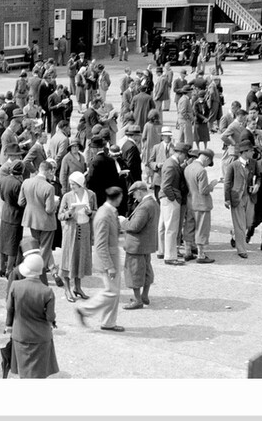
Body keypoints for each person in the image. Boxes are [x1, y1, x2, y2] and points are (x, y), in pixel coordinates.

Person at [74, 186, 125, 332]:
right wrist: (109, 266)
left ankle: (108, 322)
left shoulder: (109, 212)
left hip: (111, 257)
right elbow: (101, 244)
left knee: (114, 292)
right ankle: (84, 309)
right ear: (117, 198)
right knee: (111, 292)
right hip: (106, 259)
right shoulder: (104, 215)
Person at [4, 252, 59, 379]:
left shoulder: (15, 286)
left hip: (20, 335)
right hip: (41, 337)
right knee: (39, 373)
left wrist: (8, 325)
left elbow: (9, 308)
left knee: (24, 372)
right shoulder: (47, 291)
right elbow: (50, 317)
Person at [57, 171, 97, 302]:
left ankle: (78, 287)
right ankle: (68, 289)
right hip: (71, 230)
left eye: (73, 184)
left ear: (80, 184)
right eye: (70, 184)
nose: (71, 186)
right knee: (69, 259)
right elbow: (60, 215)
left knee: (80, 258)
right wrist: (69, 212)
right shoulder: (67, 196)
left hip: (85, 229)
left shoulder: (91, 195)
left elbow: (96, 212)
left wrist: (90, 212)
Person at [18, 160, 60, 285]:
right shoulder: (49, 187)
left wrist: (32, 204)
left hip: (32, 220)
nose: (51, 174)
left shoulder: (26, 182)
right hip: (46, 222)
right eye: (51, 171)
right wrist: (56, 203)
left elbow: (21, 202)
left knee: (36, 248)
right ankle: (39, 276)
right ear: (47, 171)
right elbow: (49, 209)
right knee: (45, 250)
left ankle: (48, 271)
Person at [120, 181, 159, 310]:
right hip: (146, 245)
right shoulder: (153, 203)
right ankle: (144, 296)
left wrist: (123, 222)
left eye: (134, 195)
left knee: (134, 273)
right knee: (147, 271)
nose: (134, 198)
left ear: (140, 191)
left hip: (136, 245)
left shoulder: (144, 206)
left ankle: (137, 300)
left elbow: (134, 226)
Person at [183, 149, 219, 263]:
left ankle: (187, 252)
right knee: (202, 229)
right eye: (209, 163)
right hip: (202, 204)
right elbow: (203, 190)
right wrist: (212, 184)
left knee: (189, 227)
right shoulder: (201, 170)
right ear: (207, 159)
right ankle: (201, 255)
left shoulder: (188, 167)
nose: (208, 165)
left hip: (190, 202)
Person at [157, 142, 190, 265]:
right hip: (170, 198)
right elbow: (166, 186)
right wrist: (174, 198)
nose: (185, 158)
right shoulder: (171, 165)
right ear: (180, 153)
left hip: (164, 197)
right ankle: (170, 256)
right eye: (185, 155)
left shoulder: (170, 162)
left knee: (162, 226)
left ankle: (161, 251)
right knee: (171, 228)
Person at [225, 141, 257, 259]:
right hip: (237, 198)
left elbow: (258, 177)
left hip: (250, 197)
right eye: (251, 151)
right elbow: (227, 183)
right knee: (240, 225)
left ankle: (234, 234)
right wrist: (227, 199)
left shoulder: (253, 163)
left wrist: (257, 185)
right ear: (244, 152)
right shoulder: (233, 165)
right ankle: (241, 250)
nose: (253, 152)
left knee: (248, 223)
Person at [0, 161, 26, 277]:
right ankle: (10, 269)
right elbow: (21, 202)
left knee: (2, 243)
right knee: (13, 244)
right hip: (16, 216)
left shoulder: (4, 180)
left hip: (5, 213)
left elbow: (2, 197)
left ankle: (2, 268)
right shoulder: (19, 184)